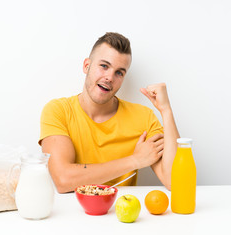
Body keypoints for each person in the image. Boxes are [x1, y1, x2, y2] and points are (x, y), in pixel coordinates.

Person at [39, 32, 180, 193]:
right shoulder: (58, 111)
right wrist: (135, 160)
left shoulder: (144, 118)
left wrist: (166, 110)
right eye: (104, 66)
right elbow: (63, 179)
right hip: (73, 214)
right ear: (87, 66)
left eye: (119, 72)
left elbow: (175, 182)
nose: (110, 77)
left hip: (123, 214)